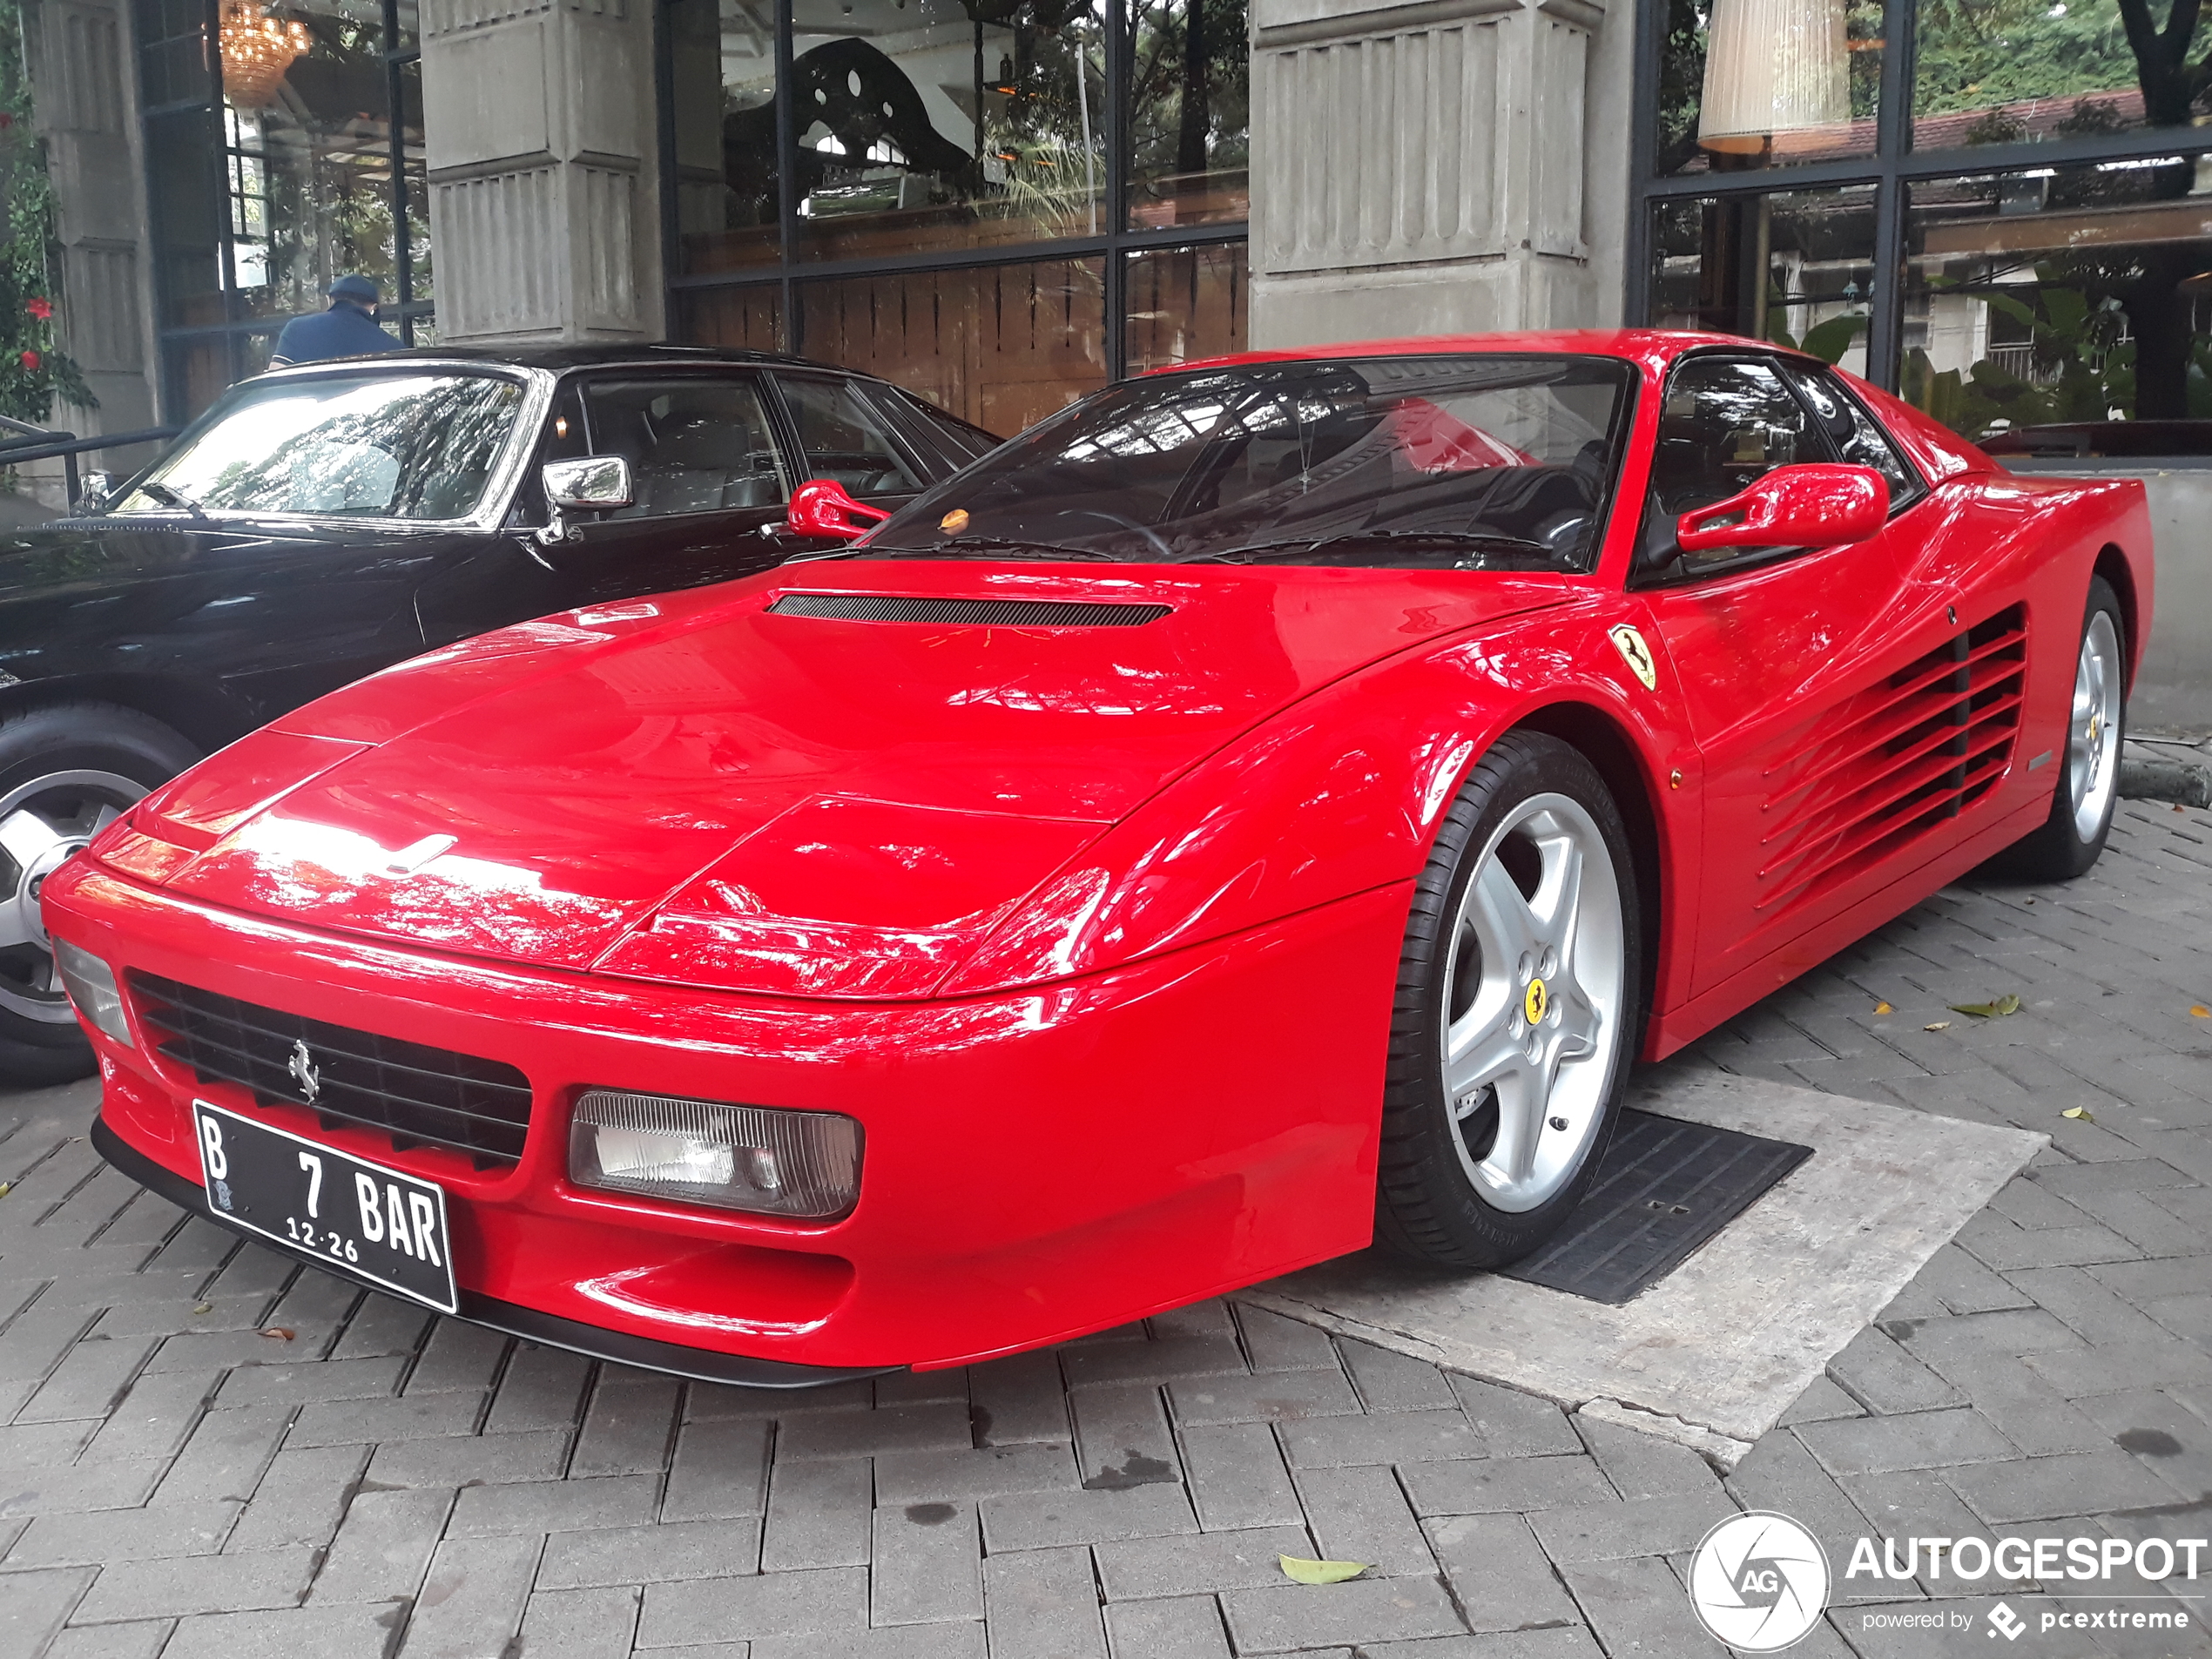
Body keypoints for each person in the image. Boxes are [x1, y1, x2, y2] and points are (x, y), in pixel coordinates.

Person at [268, 274, 397, 367]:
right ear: (373, 308)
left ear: (331, 301)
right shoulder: (393, 349)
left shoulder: (296, 329)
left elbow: (275, 380)